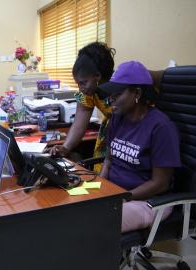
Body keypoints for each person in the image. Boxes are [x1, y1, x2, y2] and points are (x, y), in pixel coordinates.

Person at [98, 61, 181, 232]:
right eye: (110, 94)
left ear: (137, 93)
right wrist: (100, 186)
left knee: (98, 222)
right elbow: (108, 159)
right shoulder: (117, 118)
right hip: (116, 194)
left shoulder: (161, 127)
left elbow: (160, 183)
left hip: (150, 201)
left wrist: (123, 197)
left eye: (117, 94)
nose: (110, 99)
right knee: (74, 209)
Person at [47, 42, 115, 171]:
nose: (80, 89)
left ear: (98, 76)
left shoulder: (123, 88)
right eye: (78, 84)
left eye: (83, 83)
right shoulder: (85, 93)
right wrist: (65, 148)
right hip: (109, 134)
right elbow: (79, 122)